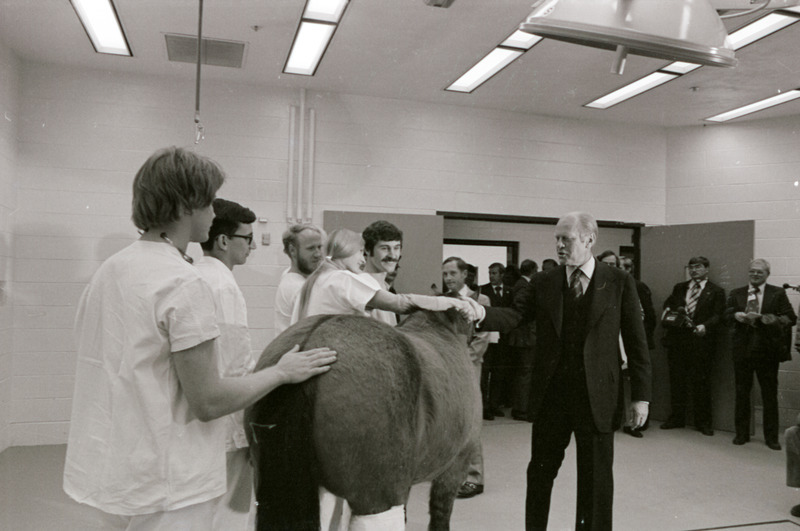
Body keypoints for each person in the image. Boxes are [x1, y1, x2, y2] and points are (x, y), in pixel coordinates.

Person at [63, 146, 337, 530]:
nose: (213, 212)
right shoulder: (182, 282)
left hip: (113, 473)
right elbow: (209, 400)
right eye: (208, 202)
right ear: (185, 205)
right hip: (169, 484)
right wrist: (282, 372)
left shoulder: (110, 271)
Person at [473, 211, 651, 530]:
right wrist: (477, 313)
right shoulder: (545, 282)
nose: (559, 246)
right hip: (551, 398)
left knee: (595, 483)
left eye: (565, 239)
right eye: (556, 239)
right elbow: (514, 316)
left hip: (597, 397)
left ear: (589, 239)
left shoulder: (619, 282)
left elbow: (638, 344)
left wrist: (642, 397)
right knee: (540, 473)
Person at [293, 231, 478, 529]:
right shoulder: (343, 279)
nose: (363, 260)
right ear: (346, 253)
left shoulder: (311, 283)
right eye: (361, 254)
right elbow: (399, 303)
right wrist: (444, 304)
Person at [195, 198, 262, 530]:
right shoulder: (224, 286)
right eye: (247, 239)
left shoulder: (193, 276)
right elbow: (234, 364)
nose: (252, 246)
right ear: (223, 240)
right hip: (226, 419)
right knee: (231, 512)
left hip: (198, 420)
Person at [726, 258, 796, 450]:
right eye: (752, 272)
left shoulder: (777, 293)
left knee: (769, 395)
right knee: (742, 393)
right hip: (743, 351)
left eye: (759, 272)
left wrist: (767, 319)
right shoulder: (737, 293)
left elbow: (791, 317)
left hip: (767, 351)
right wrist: (736, 316)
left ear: (767, 274)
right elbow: (726, 315)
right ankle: (741, 434)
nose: (755, 275)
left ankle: (771, 437)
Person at [443, 256, 491, 499]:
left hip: (469, 368)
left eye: (452, 273)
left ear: (464, 275)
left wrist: (461, 362)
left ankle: (475, 477)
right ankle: (455, 474)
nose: (448, 278)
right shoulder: (442, 302)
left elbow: (482, 340)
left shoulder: (481, 300)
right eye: (445, 274)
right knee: (452, 422)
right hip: (446, 368)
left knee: (470, 421)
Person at [660, 256, 725, 436]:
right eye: (691, 267)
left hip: (702, 343)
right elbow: (669, 305)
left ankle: (703, 422)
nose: (694, 270)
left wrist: (706, 326)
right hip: (678, 342)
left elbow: (719, 315)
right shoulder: (680, 287)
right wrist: (667, 311)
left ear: (706, 269)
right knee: (677, 381)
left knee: (702, 383)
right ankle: (677, 418)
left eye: (698, 267)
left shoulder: (716, 291)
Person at [620, 256, 657, 438]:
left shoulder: (639, 287)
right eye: (620, 266)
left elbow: (649, 317)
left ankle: (636, 424)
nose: (623, 269)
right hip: (616, 342)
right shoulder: (610, 285)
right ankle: (624, 420)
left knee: (636, 380)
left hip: (634, 342)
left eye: (626, 266)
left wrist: (638, 340)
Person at [274, 224, 325, 336]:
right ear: (292, 250)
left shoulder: (288, 274)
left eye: (319, 247)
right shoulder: (299, 288)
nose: (318, 254)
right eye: (311, 248)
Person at [480, 262, 514, 420]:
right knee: (485, 372)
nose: (491, 276)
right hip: (488, 337)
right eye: (490, 273)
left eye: (494, 273)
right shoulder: (483, 290)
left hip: (503, 338)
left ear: (502, 275)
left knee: (499, 372)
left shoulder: (509, 291)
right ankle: (484, 406)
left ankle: (494, 404)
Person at [508, 259, 537, 422]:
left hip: (522, 336)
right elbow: (521, 311)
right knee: (525, 373)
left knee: (523, 373)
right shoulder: (524, 286)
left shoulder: (519, 284)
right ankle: (521, 408)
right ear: (533, 270)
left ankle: (520, 406)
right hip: (525, 336)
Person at [363, 220, 403, 325]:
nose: (392, 255)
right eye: (384, 248)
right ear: (367, 249)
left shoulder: (385, 287)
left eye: (396, 248)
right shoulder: (361, 285)